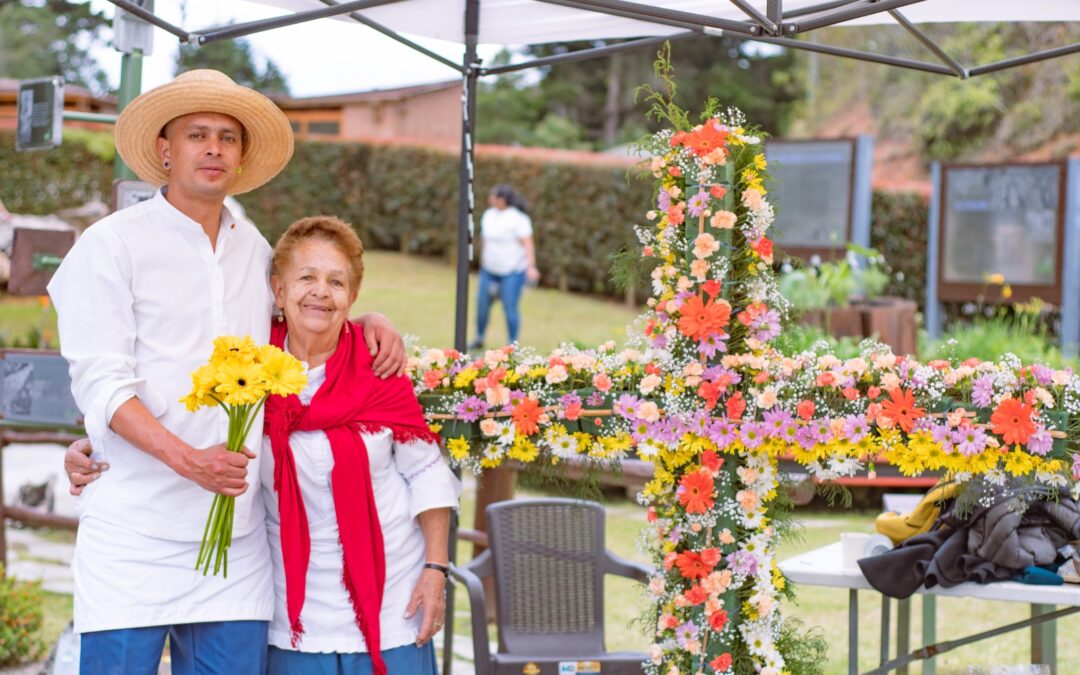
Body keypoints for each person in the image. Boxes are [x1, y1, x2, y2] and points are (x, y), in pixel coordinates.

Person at [48, 70, 405, 675]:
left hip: (236, 541)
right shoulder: (109, 246)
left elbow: (299, 312)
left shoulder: (257, 249)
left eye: (228, 138)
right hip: (135, 532)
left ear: (241, 159)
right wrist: (184, 458)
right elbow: (103, 383)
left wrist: (364, 316)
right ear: (165, 151)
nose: (214, 148)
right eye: (196, 135)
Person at [262, 215, 460, 674]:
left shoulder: (378, 369)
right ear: (278, 289)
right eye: (306, 277)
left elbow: (426, 472)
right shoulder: (249, 368)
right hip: (291, 605)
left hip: (393, 598)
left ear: (351, 298)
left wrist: (436, 571)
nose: (320, 292)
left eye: (336, 282)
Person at [469, 184, 539, 350]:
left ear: (501, 199)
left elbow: (528, 244)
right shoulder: (488, 215)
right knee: (482, 306)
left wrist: (531, 266)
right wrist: (482, 262)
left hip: (511, 273)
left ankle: (512, 344)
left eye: (492, 196)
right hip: (489, 271)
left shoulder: (518, 219)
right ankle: (479, 337)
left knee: (510, 308)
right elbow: (484, 240)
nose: (489, 198)